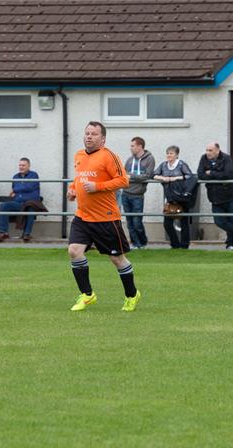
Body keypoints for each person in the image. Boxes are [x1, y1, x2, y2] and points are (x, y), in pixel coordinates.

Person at [67, 121, 140, 312]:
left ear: (103, 139)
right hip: (83, 217)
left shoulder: (109, 156)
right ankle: (87, 294)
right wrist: (72, 189)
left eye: (94, 134)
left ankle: (132, 295)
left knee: (117, 259)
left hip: (106, 218)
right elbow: (79, 177)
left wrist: (97, 187)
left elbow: (123, 180)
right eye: (87, 133)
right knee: (74, 251)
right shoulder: (79, 155)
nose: (89, 137)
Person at [197, 142, 233, 251]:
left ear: (217, 150)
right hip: (215, 196)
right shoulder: (204, 158)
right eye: (207, 150)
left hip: (230, 195)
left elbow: (228, 175)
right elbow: (200, 175)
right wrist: (217, 175)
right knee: (219, 221)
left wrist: (211, 173)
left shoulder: (226, 158)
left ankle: (230, 245)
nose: (208, 153)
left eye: (210, 150)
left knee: (232, 220)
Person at [154, 146, 193, 249]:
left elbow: (189, 176)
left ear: (176, 155)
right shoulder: (163, 165)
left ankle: (184, 245)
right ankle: (175, 244)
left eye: (171, 153)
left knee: (183, 222)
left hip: (181, 196)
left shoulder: (181, 164)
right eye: (167, 153)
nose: (169, 155)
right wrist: (163, 178)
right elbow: (153, 175)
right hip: (170, 197)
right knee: (167, 223)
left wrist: (175, 178)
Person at [0, 158, 41, 242]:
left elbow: (29, 187)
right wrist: (17, 191)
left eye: (23, 165)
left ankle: (26, 234)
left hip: (30, 203)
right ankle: (3, 233)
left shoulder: (34, 175)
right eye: (20, 165)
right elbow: (19, 190)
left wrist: (15, 189)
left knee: (30, 208)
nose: (21, 167)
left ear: (29, 166)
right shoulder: (15, 177)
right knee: (4, 206)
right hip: (19, 203)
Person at [122, 137, 155, 249]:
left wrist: (131, 176)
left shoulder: (149, 159)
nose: (130, 148)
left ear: (140, 146)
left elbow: (147, 176)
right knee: (129, 222)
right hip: (125, 193)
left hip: (137, 195)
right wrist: (129, 176)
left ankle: (143, 242)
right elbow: (124, 175)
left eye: (132, 146)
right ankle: (135, 244)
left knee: (137, 222)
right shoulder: (129, 160)